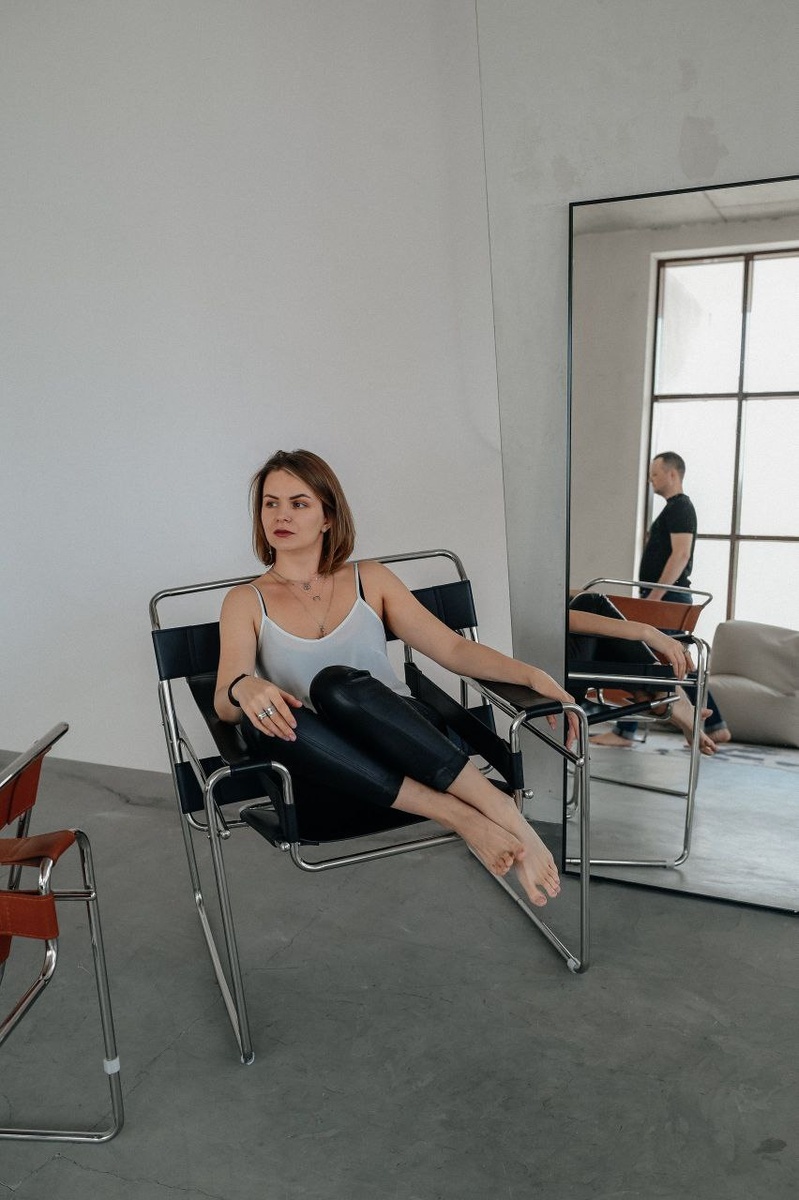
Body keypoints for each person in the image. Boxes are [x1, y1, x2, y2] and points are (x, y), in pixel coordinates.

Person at [215, 449, 579, 909]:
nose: (280, 515)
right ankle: (466, 816)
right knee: (276, 720)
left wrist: (533, 674)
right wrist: (242, 686)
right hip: (330, 771)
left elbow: (453, 650)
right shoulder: (245, 601)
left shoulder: (370, 579)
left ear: (328, 517)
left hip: (411, 745)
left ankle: (498, 808)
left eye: (298, 503)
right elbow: (225, 704)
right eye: (271, 503)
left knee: (335, 686)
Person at [607, 450, 730, 747]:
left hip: (668, 598)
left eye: (655, 474)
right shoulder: (673, 509)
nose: (651, 479)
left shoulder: (680, 508)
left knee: (644, 656)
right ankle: (715, 725)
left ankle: (625, 732)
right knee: (668, 659)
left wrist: (655, 596)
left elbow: (681, 554)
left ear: (672, 474)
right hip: (666, 597)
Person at [568, 593, 717, 755]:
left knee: (588, 608)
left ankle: (663, 694)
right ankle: (667, 694)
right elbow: (560, 616)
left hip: (557, 678)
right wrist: (647, 632)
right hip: (556, 684)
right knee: (590, 603)